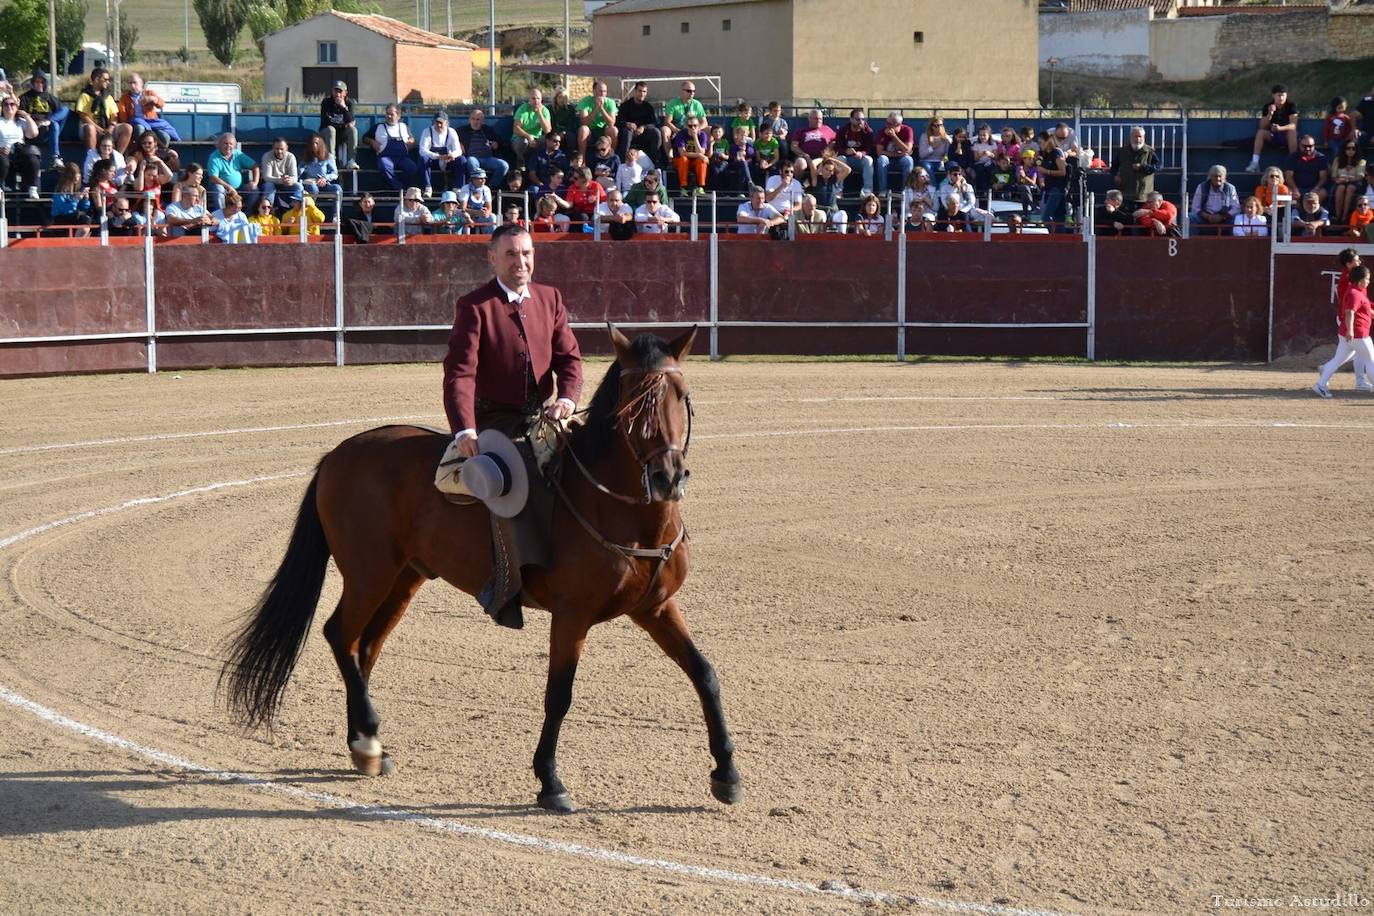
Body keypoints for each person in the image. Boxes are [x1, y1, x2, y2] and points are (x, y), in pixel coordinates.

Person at [438, 223, 584, 628]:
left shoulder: (549, 298)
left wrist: (568, 398)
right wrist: (465, 429)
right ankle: (507, 583)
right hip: (493, 419)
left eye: (526, 254)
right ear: (492, 258)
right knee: (512, 483)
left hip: (540, 415)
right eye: (510, 255)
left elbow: (569, 359)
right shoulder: (475, 306)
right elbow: (460, 374)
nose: (521, 262)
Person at [1314, 265, 1373, 398]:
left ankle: (1321, 385)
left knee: (1336, 361)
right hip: (1358, 334)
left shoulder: (1355, 291)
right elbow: (1349, 312)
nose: (1369, 282)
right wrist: (1351, 330)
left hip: (1348, 334)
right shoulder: (1355, 293)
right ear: (1360, 281)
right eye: (1367, 279)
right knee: (1370, 361)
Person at [18, 69, 66, 168]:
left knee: (57, 121)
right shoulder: (25, 97)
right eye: (37, 82)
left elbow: (64, 110)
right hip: (31, 131)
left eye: (42, 82)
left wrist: (49, 120)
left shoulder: (49, 97)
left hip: (46, 130)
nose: (40, 84)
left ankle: (55, 158)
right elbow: (19, 113)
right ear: (33, 83)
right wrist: (33, 122)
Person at [75, 68, 128, 152]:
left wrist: (111, 127)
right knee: (90, 128)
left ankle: (118, 155)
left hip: (107, 127)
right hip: (90, 128)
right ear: (96, 79)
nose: (108, 82)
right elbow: (83, 116)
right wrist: (99, 129)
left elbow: (114, 115)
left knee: (127, 128)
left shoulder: (108, 97)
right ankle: (92, 155)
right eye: (105, 79)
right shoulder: (85, 96)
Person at [1248, 85, 1299, 171]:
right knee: (1261, 132)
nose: (1281, 98)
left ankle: (1293, 163)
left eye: (1283, 95)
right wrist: (1270, 114)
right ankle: (1255, 162)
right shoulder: (1268, 106)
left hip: (1286, 135)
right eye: (1279, 95)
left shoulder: (1291, 106)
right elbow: (1262, 126)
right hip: (1273, 135)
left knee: (1292, 132)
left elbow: (1293, 125)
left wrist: (1280, 128)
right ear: (1273, 96)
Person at [370, 104, 419, 191]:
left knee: (413, 168)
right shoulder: (378, 127)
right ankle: (399, 188)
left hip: (402, 158)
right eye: (387, 114)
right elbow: (365, 138)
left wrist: (411, 141)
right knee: (384, 165)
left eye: (391, 114)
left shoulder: (403, 127)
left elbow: (411, 138)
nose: (388, 116)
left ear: (398, 116)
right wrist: (372, 141)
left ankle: (405, 188)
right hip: (385, 157)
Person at [0, 94, 41, 199]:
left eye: (12, 104)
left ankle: (32, 188)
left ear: (16, 108)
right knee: (3, 161)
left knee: (32, 158)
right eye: (6, 105)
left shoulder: (20, 122)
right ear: (2, 107)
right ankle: (1, 186)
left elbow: (33, 134)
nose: (9, 107)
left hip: (19, 152)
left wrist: (27, 116)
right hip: (3, 153)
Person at [456, 108, 509, 189]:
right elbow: (451, 139)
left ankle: (491, 187)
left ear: (483, 121)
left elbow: (500, 142)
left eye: (478, 119)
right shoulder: (461, 131)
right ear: (469, 120)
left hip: (488, 158)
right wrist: (458, 144)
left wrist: (496, 144)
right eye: (473, 119)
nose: (475, 122)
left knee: (504, 165)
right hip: (472, 157)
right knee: (471, 162)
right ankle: (476, 188)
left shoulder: (488, 130)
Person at [207, 132, 259, 211]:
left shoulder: (237, 154)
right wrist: (228, 187)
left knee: (254, 189)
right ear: (219, 144)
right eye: (225, 143)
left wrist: (255, 182)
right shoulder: (214, 157)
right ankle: (221, 216)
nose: (228, 146)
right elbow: (213, 178)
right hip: (223, 190)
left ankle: (247, 215)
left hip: (240, 189)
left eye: (231, 144)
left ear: (234, 145)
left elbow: (255, 166)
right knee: (219, 189)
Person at [615, 81, 662, 167]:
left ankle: (653, 163)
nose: (642, 94)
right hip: (629, 135)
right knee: (627, 131)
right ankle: (623, 163)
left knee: (656, 132)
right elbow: (618, 122)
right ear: (635, 91)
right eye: (640, 91)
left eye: (644, 91)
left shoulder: (648, 107)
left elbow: (654, 123)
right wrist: (627, 124)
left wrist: (644, 127)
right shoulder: (625, 105)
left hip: (643, 135)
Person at [419, 111, 463, 197]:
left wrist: (452, 155)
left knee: (462, 160)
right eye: (436, 122)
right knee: (423, 159)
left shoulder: (451, 132)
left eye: (441, 123)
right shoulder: (427, 131)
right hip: (433, 161)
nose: (438, 125)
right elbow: (422, 150)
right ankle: (427, 187)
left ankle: (457, 188)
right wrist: (438, 156)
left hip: (448, 161)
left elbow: (458, 150)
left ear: (446, 123)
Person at [1112, 127, 1158, 208]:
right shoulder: (1122, 151)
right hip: (1126, 193)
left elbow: (1157, 166)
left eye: (1140, 136)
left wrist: (1143, 167)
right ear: (1131, 137)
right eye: (1135, 136)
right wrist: (1115, 175)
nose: (1138, 139)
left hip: (1144, 195)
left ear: (1144, 138)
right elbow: (1114, 166)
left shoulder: (1150, 151)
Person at [789, 109, 835, 187]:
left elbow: (837, 141)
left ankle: (824, 188)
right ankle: (797, 186)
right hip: (805, 156)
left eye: (820, 118)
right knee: (800, 163)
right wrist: (804, 155)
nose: (818, 121)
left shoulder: (827, 129)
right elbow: (793, 146)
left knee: (829, 165)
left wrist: (828, 150)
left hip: (822, 157)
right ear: (809, 119)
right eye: (816, 118)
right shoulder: (801, 131)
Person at [1189, 165, 1241, 234]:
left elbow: (1236, 208)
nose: (1218, 178)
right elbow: (1195, 207)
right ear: (1210, 176)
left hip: (1224, 218)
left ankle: (1234, 243)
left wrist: (1222, 217)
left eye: (1220, 176)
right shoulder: (1201, 187)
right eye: (1215, 176)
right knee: (1191, 217)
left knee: (1236, 218)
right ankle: (1193, 242)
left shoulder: (1230, 188)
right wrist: (1207, 216)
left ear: (1225, 177)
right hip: (1205, 218)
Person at [835, 108, 875, 197]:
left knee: (868, 160)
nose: (861, 122)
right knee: (840, 159)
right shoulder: (843, 130)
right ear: (851, 119)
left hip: (859, 160)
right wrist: (846, 151)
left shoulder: (868, 131)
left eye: (863, 119)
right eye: (858, 119)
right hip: (847, 160)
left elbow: (869, 148)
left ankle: (867, 191)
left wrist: (862, 153)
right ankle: (838, 190)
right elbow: (837, 147)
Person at [575, 80, 618, 160]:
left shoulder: (610, 102)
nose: (603, 94)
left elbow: (612, 123)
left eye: (605, 91)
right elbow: (584, 122)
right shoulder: (585, 101)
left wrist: (601, 109)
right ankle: (582, 159)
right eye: (600, 91)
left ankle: (611, 158)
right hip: (590, 132)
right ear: (594, 91)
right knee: (583, 129)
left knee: (613, 130)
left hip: (603, 131)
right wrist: (596, 108)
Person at [663, 82, 707, 161]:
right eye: (689, 91)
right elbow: (667, 122)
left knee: (710, 129)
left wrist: (696, 129)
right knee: (665, 130)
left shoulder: (697, 104)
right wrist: (677, 130)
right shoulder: (673, 103)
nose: (692, 93)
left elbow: (704, 122)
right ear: (682, 91)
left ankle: (709, 155)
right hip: (678, 129)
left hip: (693, 128)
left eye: (694, 91)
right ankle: (670, 158)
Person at [320, 81, 359, 169]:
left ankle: (351, 160)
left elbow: (352, 121)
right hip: (327, 133)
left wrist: (344, 108)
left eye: (340, 92)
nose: (338, 94)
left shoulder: (349, 103)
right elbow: (325, 121)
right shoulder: (326, 102)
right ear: (332, 91)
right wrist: (344, 125)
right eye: (335, 91)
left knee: (353, 130)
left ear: (345, 93)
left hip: (342, 133)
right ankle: (331, 160)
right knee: (331, 129)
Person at [875, 112, 915, 197]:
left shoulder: (907, 130)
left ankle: (905, 191)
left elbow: (908, 149)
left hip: (901, 161)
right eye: (886, 122)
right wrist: (899, 154)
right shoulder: (882, 131)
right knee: (882, 159)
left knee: (908, 160)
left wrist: (894, 136)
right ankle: (883, 191)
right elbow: (879, 152)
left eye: (889, 124)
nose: (886, 125)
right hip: (888, 160)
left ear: (898, 125)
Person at [49, 163, 92, 237]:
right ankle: (75, 243)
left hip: (74, 215)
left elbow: (84, 208)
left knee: (89, 220)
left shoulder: (79, 188)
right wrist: (76, 199)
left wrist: (85, 199)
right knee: (84, 220)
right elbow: (63, 210)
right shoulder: (60, 190)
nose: (76, 181)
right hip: (60, 217)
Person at [511, 88, 551, 167]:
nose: (536, 101)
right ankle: (520, 162)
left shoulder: (545, 111)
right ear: (529, 99)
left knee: (549, 139)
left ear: (541, 99)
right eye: (533, 98)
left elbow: (547, 130)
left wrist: (539, 114)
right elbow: (516, 128)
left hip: (537, 140)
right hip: (521, 139)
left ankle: (545, 162)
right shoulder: (523, 109)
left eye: (538, 98)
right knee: (522, 142)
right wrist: (529, 137)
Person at [1329, 140, 1366, 226]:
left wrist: (1347, 180)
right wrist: (1337, 180)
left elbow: (1360, 176)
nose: (1351, 150)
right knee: (1340, 188)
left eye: (1353, 148)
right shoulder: (1337, 160)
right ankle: (1338, 216)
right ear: (1344, 149)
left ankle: (1344, 216)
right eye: (1348, 148)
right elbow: (1334, 175)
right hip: (1340, 183)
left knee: (1350, 188)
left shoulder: (1361, 161)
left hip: (1356, 184)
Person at [1285, 136, 1329, 205]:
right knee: (1287, 192)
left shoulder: (1321, 158)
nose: (1308, 148)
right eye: (1304, 146)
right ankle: (1295, 212)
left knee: (1323, 193)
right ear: (1299, 145)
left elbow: (1323, 177)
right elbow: (1288, 176)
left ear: (1314, 146)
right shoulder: (1293, 157)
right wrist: (1295, 189)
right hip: (1296, 187)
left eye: (1310, 146)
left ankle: (1313, 213)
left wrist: (1316, 188)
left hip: (1314, 188)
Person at [300, 133, 343, 207]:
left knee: (337, 188)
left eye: (316, 143)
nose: (314, 145)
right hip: (311, 183)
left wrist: (325, 178)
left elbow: (334, 173)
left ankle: (336, 215)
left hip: (324, 184)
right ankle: (311, 211)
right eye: (312, 143)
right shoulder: (306, 156)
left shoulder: (328, 156)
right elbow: (299, 171)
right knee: (313, 188)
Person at [1038, 133, 1069, 230]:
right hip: (1049, 188)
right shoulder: (1045, 154)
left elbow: (1062, 171)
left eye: (1041, 142)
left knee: (1047, 217)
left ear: (1049, 140)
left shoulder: (1056, 152)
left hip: (1057, 189)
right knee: (1058, 218)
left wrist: (1046, 171)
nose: (1040, 145)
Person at [672, 116, 710, 195]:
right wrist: (699, 155)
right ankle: (683, 187)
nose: (693, 128)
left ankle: (700, 187)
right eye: (690, 126)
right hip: (682, 161)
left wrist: (695, 137)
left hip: (695, 161)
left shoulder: (702, 135)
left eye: (695, 125)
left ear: (699, 126)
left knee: (702, 161)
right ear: (686, 126)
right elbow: (682, 153)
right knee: (683, 159)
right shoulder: (681, 134)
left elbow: (702, 151)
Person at [260, 136, 300, 205]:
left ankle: (295, 209)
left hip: (286, 184)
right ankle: (269, 209)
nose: (279, 151)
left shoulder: (291, 157)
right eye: (277, 149)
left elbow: (295, 177)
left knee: (299, 186)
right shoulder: (267, 156)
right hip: (272, 183)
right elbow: (266, 178)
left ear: (287, 148)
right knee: (269, 185)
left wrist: (291, 180)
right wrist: (282, 180)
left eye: (282, 149)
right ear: (273, 148)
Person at [460, 168, 496, 233]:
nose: (483, 180)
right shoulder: (465, 188)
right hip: (468, 216)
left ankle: (491, 238)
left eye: (484, 178)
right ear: (473, 179)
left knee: (492, 217)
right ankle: (464, 240)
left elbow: (489, 208)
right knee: (464, 217)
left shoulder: (486, 189)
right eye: (480, 178)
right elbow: (463, 209)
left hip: (480, 216)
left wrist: (487, 212)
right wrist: (477, 212)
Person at [1324, 96, 1358, 164]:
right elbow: (1326, 130)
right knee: (1336, 151)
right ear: (1335, 107)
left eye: (1343, 108)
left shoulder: (1346, 118)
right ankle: (1334, 166)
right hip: (1332, 139)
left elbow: (1348, 129)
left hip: (1342, 139)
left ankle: (1341, 165)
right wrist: (1326, 141)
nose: (1341, 110)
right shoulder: (1330, 118)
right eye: (1339, 108)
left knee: (1343, 151)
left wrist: (1348, 138)